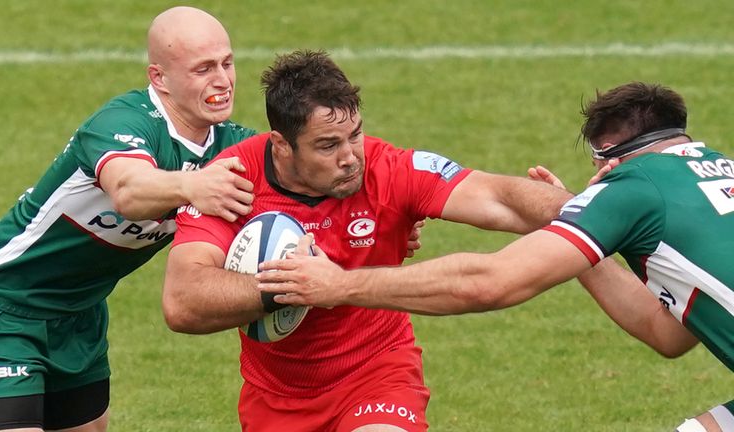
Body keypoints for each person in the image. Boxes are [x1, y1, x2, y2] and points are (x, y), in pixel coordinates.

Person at [257, 82, 734, 431]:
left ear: (608, 160)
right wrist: (574, 232)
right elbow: (668, 331)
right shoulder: (716, 172)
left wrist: (337, 285)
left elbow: (488, 281)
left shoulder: (633, 187)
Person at [162, 49, 572, 431]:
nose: (350, 156)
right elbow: (182, 302)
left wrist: (593, 208)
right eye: (328, 145)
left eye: (354, 135)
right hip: (276, 397)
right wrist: (291, 284)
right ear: (282, 146)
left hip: (378, 374)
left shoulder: (386, 168)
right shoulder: (231, 182)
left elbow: (499, 198)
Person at [0, 7, 257, 432]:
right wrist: (192, 186)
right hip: (1, 305)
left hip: (81, 317)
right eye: (203, 69)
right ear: (159, 78)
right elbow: (129, 192)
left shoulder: (233, 146)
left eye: (227, 63)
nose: (222, 80)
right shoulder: (122, 123)